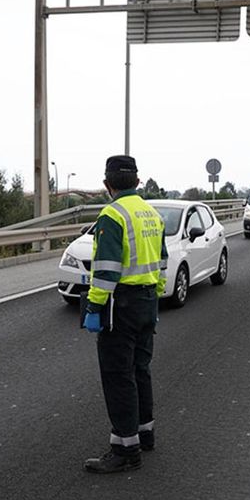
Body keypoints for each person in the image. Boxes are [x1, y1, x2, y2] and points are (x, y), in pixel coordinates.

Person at [82, 155, 168, 474]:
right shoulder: (151, 213)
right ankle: (145, 433)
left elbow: (105, 271)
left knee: (118, 376)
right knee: (140, 369)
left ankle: (125, 449)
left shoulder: (112, 215)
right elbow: (161, 262)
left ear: (107, 186)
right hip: (147, 301)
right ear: (137, 181)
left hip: (121, 305)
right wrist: (154, 296)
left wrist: (94, 307)